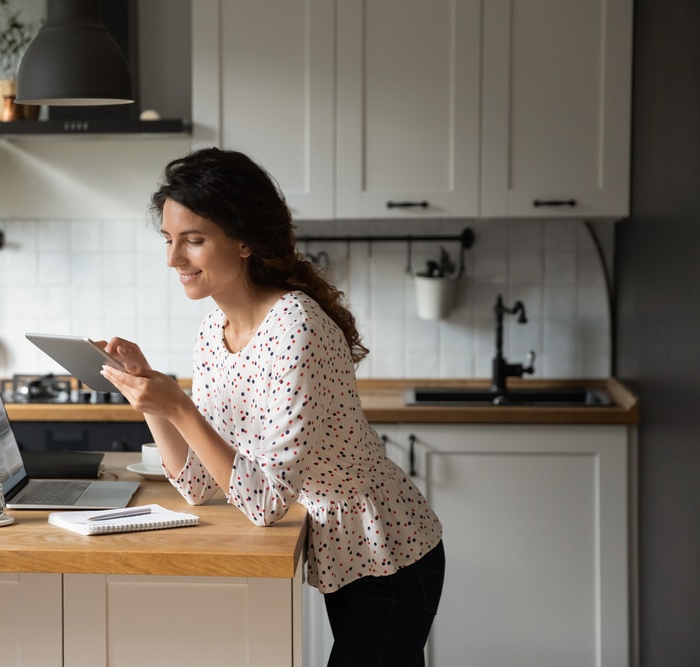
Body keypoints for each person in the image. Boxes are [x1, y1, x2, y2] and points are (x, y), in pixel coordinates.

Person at [101, 147, 445, 667]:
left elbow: (265, 505)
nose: (173, 259)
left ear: (244, 241)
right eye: (170, 240)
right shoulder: (214, 335)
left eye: (193, 240)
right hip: (344, 554)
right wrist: (153, 395)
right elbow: (200, 486)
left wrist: (180, 404)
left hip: (388, 554)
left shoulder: (294, 327)